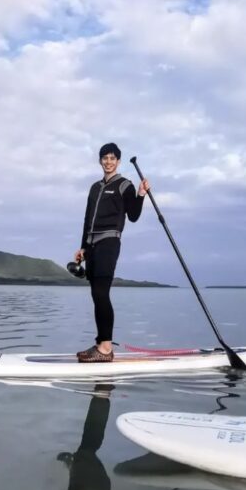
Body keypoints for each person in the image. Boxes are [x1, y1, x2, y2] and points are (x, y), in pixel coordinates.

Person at [74, 143, 149, 363]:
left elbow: (133, 216)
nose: (108, 161)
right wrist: (83, 248)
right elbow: (87, 219)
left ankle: (106, 348)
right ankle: (101, 343)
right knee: (95, 295)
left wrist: (141, 194)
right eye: (104, 158)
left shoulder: (124, 185)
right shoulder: (94, 187)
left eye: (112, 158)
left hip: (109, 242)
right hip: (92, 246)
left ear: (118, 161)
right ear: (100, 161)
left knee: (101, 293)